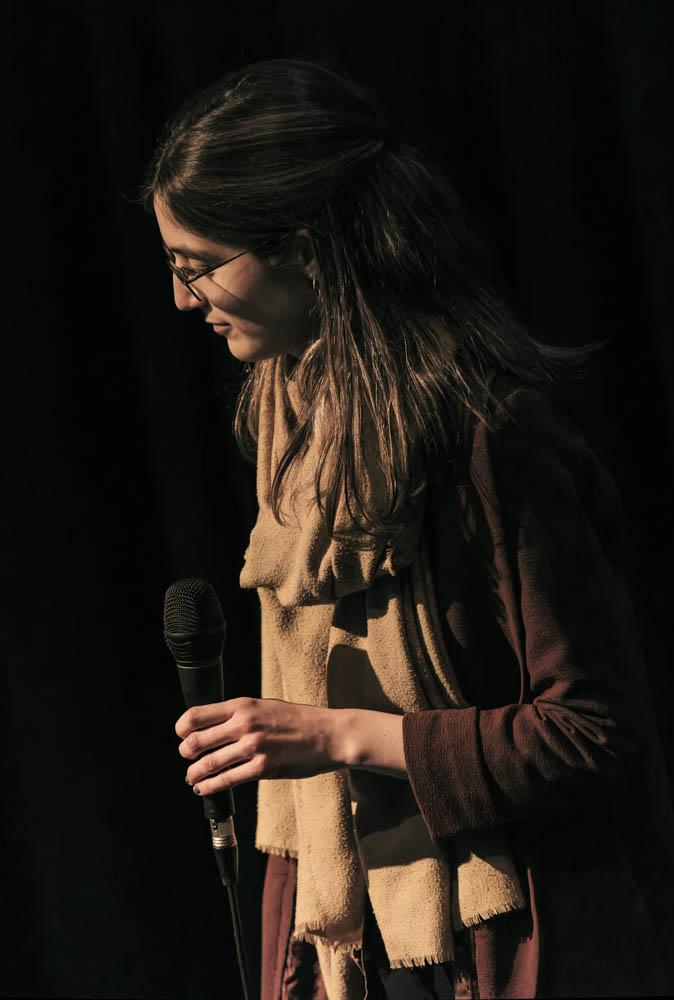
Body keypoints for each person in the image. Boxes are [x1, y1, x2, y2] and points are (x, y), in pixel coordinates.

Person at [142, 58, 674, 999]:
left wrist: (341, 737)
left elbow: (595, 732)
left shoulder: (489, 438)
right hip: (348, 940)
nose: (183, 301)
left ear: (307, 247)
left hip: (497, 937)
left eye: (199, 266)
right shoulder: (285, 421)